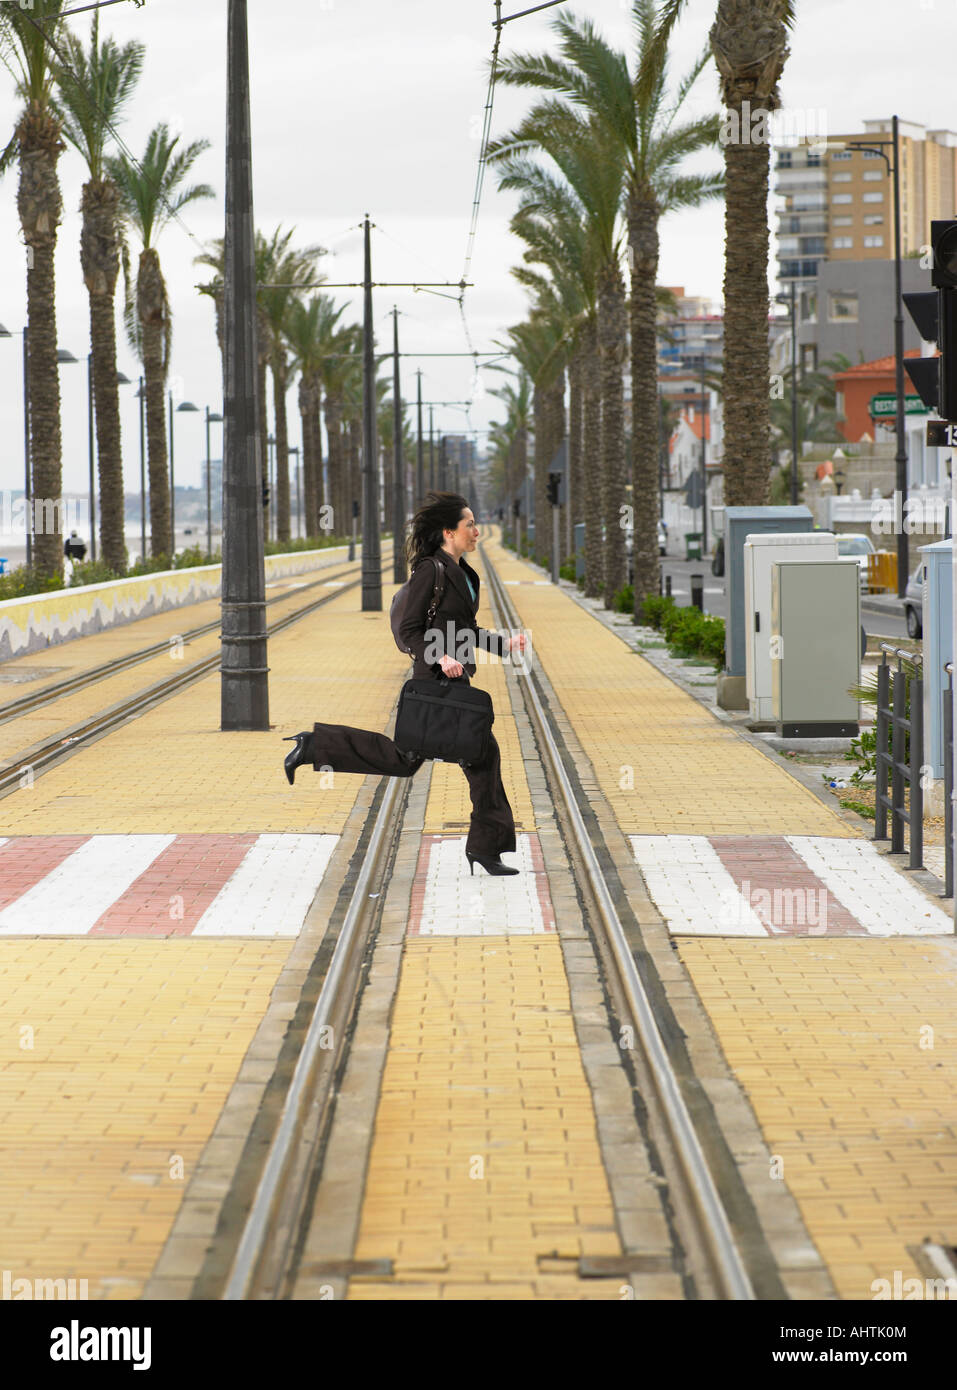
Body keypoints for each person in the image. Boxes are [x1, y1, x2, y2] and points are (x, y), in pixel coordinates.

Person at [282, 492, 527, 876]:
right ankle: (313, 745)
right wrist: (439, 656)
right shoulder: (431, 570)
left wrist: (504, 645)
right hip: (434, 683)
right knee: (411, 758)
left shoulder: (465, 574)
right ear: (449, 532)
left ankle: (486, 848)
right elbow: (410, 630)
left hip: (456, 683)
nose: (477, 531)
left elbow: (467, 630)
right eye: (470, 525)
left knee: (478, 759)